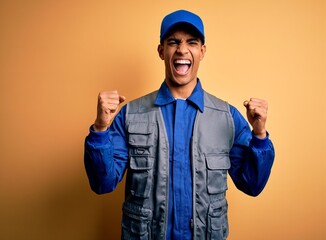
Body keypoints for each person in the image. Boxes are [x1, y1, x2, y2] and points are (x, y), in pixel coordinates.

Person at [84, 9, 275, 240]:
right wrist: (101, 129)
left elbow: (252, 185)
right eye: (173, 42)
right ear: (161, 51)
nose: (182, 49)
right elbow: (102, 183)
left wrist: (260, 134)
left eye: (192, 42)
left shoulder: (227, 117)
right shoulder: (130, 115)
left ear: (202, 51)